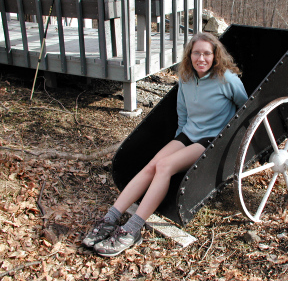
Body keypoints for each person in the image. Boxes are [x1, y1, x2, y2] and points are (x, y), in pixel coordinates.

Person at [82, 32, 248, 257]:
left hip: (211, 140)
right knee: (152, 165)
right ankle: (109, 219)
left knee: (165, 166)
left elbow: (245, 109)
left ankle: (132, 229)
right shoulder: (186, 78)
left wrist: (227, 141)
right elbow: (182, 112)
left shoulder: (227, 79)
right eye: (196, 53)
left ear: (215, 55)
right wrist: (179, 140)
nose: (201, 58)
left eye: (207, 53)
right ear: (189, 55)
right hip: (188, 134)